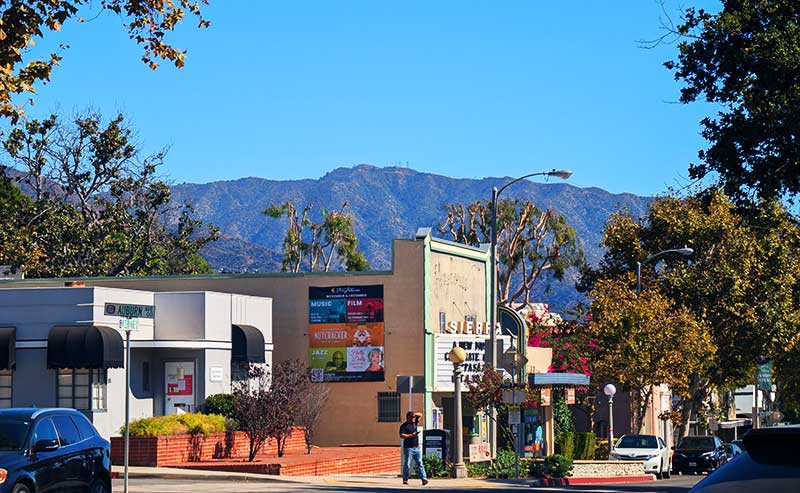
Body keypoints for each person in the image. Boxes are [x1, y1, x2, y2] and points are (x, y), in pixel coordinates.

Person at [399, 411, 428, 486]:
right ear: (408, 417)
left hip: (416, 447)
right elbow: (401, 435)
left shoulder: (414, 423)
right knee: (407, 464)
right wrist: (411, 435)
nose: (413, 419)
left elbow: (420, 414)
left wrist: (415, 415)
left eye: (413, 418)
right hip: (408, 448)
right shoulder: (404, 426)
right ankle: (405, 479)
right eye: (411, 417)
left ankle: (424, 479)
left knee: (420, 463)